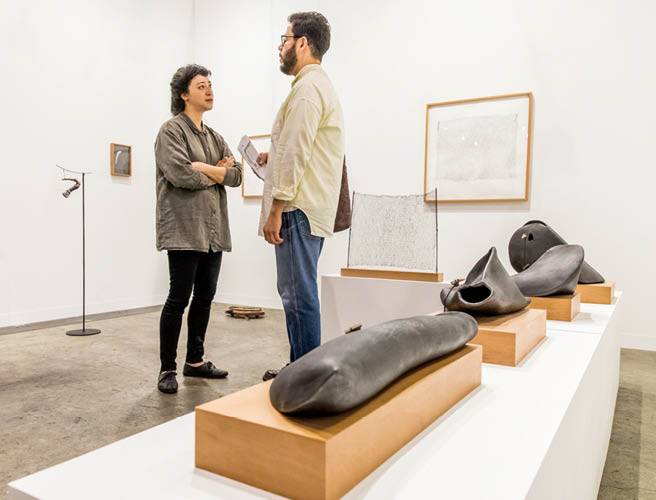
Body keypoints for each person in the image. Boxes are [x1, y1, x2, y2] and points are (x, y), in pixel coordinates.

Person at [258, 12, 345, 380]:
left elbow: (296, 153)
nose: (281, 47)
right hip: (308, 206)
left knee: (298, 295)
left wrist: (276, 208)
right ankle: (299, 368)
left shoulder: (307, 89)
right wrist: (273, 154)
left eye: (285, 39)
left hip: (298, 208)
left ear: (303, 43)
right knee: (298, 291)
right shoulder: (316, 86)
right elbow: (299, 147)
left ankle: (306, 378)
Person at [154, 64, 242, 394]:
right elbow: (180, 174)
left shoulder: (215, 137)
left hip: (213, 231)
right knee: (178, 298)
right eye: (201, 86)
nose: (209, 90)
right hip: (184, 229)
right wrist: (216, 173)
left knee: (205, 297)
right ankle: (167, 368)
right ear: (183, 94)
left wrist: (204, 167)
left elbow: (236, 176)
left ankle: (194, 361)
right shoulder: (170, 131)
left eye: (210, 85)